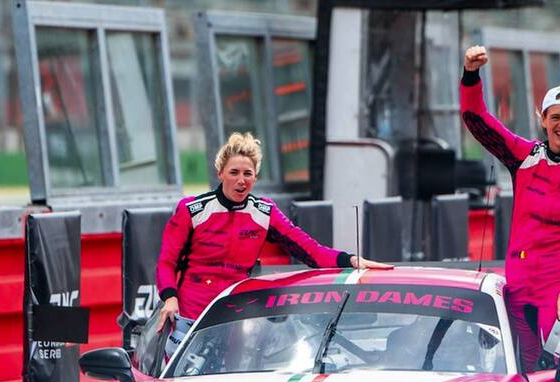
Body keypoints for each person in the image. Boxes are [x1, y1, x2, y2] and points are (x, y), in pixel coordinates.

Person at [156, 132, 389, 359]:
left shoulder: (264, 211)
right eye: (234, 172)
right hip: (190, 311)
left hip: (233, 313)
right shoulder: (191, 209)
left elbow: (307, 248)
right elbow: (166, 262)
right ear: (220, 174)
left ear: (255, 177)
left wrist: (349, 260)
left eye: (248, 173)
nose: (241, 180)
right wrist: (169, 297)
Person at [460, 46, 560, 371]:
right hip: (516, 284)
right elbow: (476, 120)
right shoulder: (524, 155)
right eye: (555, 117)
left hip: (557, 289)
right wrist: (471, 74)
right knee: (518, 370)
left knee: (556, 370)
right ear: (542, 119)